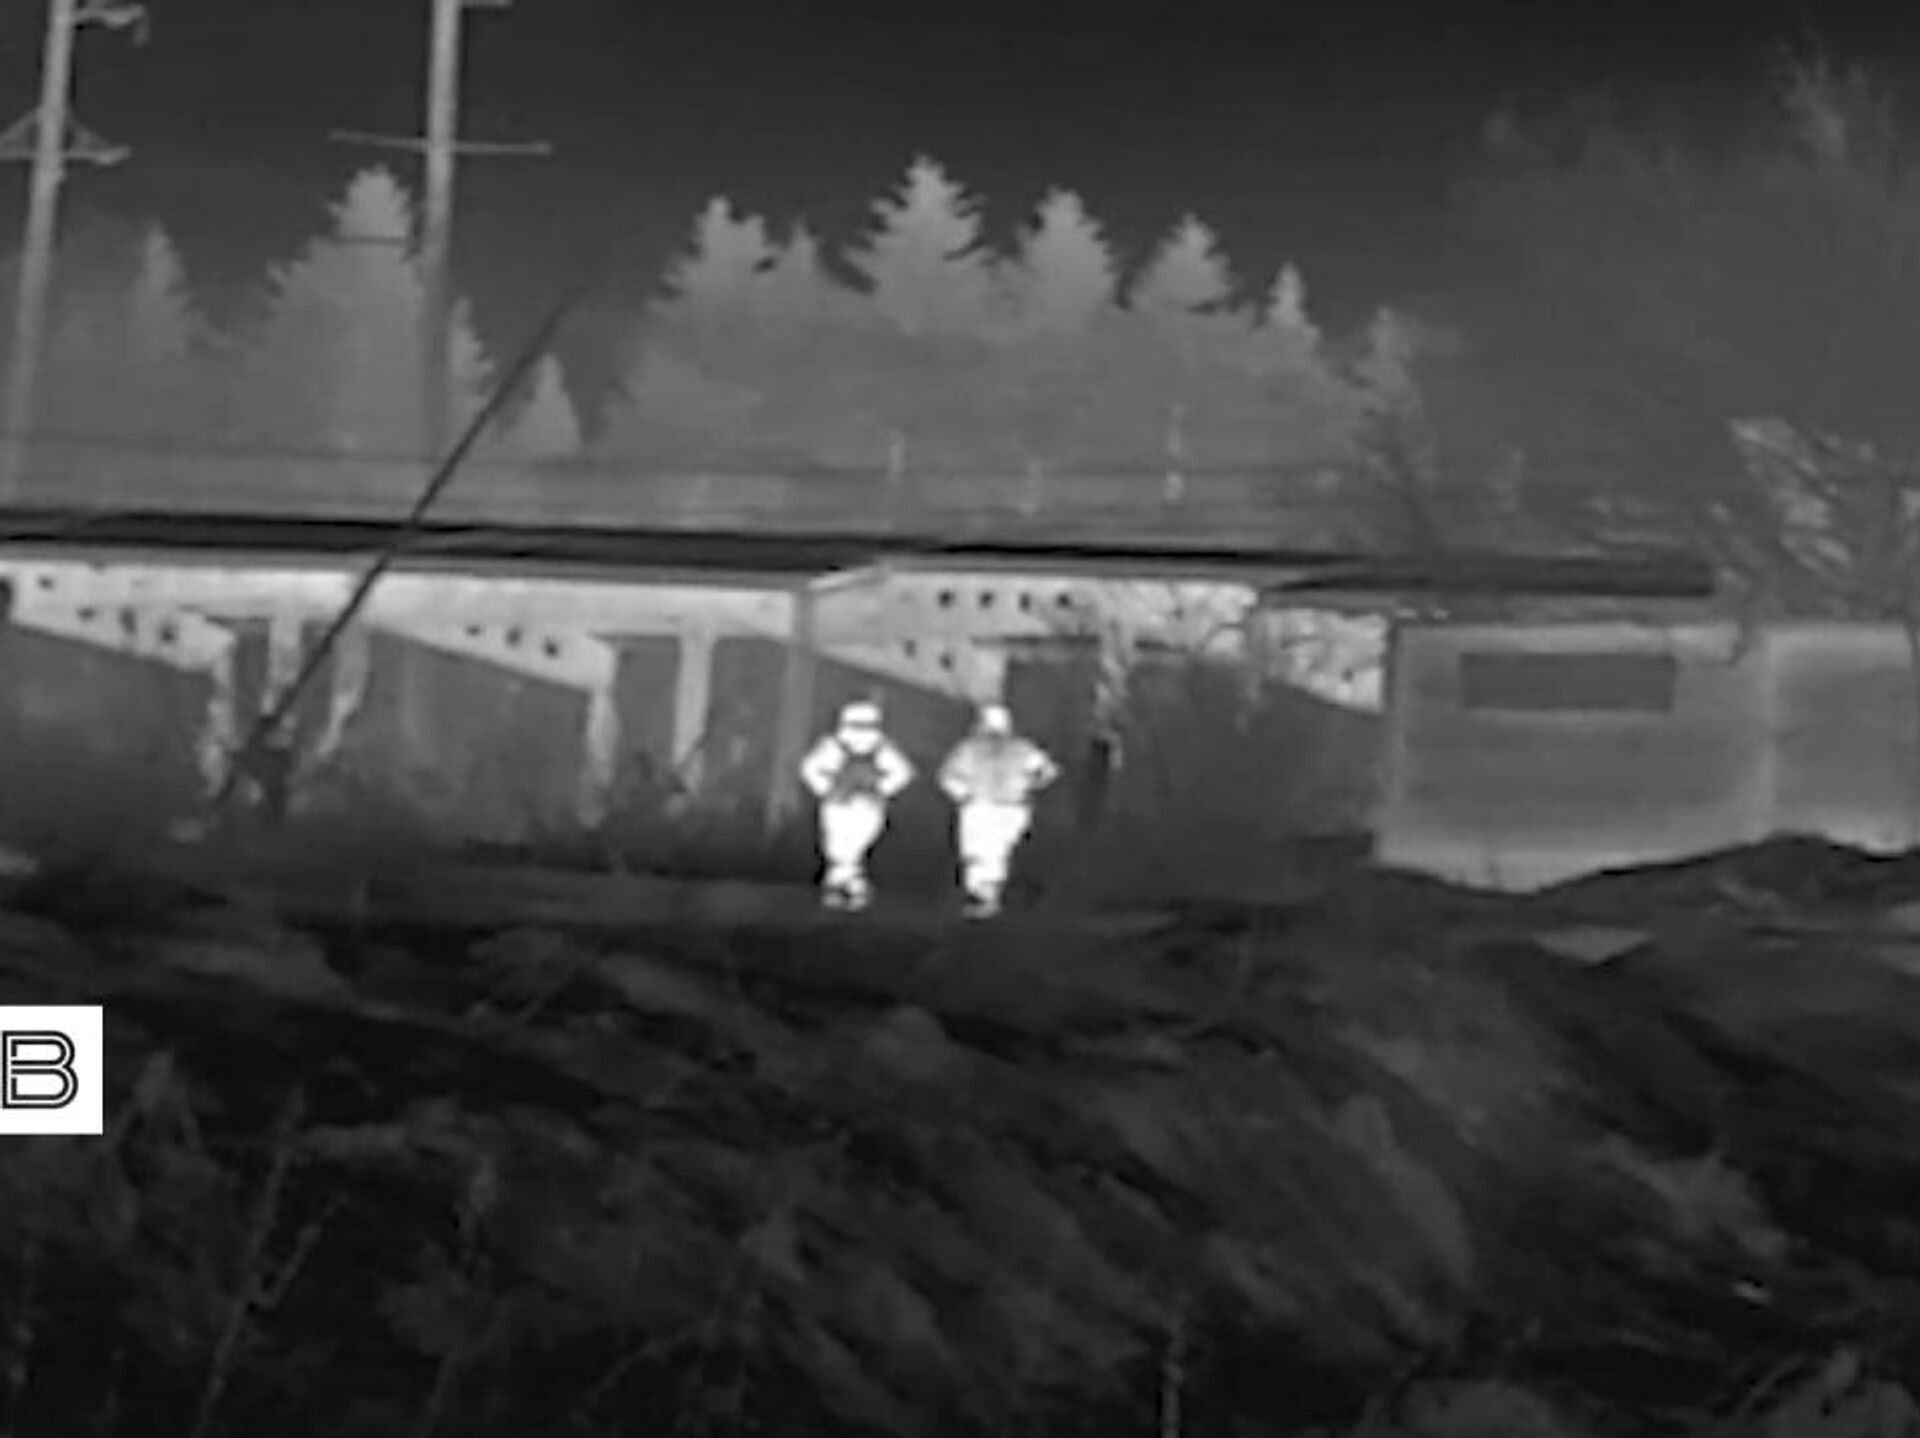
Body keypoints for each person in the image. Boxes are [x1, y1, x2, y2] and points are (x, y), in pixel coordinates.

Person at [938, 702, 1059, 918]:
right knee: (999, 854)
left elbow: (947, 778)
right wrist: (1032, 787)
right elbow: (1048, 772)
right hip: (1013, 807)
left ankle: (984, 900)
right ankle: (992, 898)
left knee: (979, 855)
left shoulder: (969, 748)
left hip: (979, 806)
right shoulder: (1023, 748)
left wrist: (963, 796)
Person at [798, 699, 915, 911]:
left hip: (856, 806)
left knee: (848, 847)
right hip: (849, 805)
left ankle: (842, 885)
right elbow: (809, 770)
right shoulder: (839, 746)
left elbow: (903, 773)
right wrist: (831, 789)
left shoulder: (876, 748)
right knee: (843, 847)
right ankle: (846, 885)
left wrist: (877, 789)